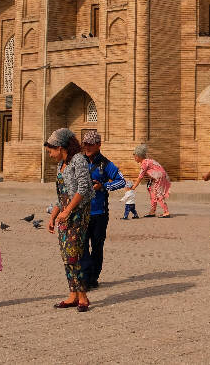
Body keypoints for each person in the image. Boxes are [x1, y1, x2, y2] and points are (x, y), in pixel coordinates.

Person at [44, 128, 92, 311]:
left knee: (74, 255)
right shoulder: (61, 164)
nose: (50, 155)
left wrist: (68, 210)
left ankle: (83, 297)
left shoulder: (78, 160)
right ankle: (73, 295)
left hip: (78, 214)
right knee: (66, 256)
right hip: (65, 214)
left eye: (51, 151)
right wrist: (54, 215)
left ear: (60, 147)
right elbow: (62, 194)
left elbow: (84, 188)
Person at [79, 129, 126, 290]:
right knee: (83, 247)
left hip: (99, 213)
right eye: (85, 144)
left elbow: (121, 181)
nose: (87, 147)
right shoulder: (79, 161)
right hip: (82, 212)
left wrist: (103, 186)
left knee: (97, 247)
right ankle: (85, 278)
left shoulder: (105, 164)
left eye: (91, 144)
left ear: (98, 145)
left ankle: (93, 277)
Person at [132, 144, 172, 218]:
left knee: (158, 193)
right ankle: (152, 211)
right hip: (156, 178)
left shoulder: (145, 163)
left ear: (139, 156)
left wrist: (133, 187)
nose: (134, 158)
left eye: (135, 156)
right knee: (152, 192)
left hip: (159, 178)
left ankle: (166, 212)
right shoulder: (148, 161)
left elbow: (140, 177)